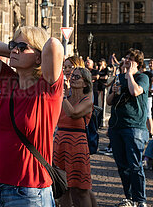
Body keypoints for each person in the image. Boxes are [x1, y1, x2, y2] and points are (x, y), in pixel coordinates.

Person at [0, 26, 64, 206]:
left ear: (39, 56)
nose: (14, 50)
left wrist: (32, 49)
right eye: (13, 45)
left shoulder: (47, 88)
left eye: (22, 47)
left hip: (29, 191)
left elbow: (53, 44)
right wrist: (15, 48)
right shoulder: (8, 82)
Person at [107, 48, 149, 207]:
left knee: (135, 165)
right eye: (125, 58)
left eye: (130, 59)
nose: (125, 61)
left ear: (137, 63)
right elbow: (109, 101)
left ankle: (140, 200)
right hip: (117, 126)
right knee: (122, 166)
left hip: (134, 127)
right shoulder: (119, 77)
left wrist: (130, 74)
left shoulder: (142, 77)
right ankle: (129, 198)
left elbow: (135, 91)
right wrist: (114, 92)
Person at [53, 67, 97, 207]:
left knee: (80, 189)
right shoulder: (65, 99)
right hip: (60, 144)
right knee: (63, 188)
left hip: (77, 146)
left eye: (77, 77)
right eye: (72, 76)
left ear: (85, 83)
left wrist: (63, 96)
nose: (72, 78)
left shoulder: (87, 101)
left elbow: (73, 113)